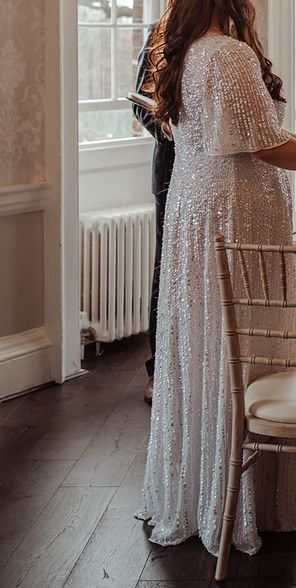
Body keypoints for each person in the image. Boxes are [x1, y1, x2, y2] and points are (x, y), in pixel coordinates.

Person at [137, 0, 296, 556]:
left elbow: (266, 132)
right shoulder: (228, 56)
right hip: (234, 220)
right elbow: (265, 148)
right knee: (246, 344)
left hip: (194, 215)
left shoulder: (178, 56)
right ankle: (245, 502)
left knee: (207, 344)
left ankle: (204, 487)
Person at [132, 25, 173, 405]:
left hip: (222, 172)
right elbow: (139, 104)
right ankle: (158, 371)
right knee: (167, 270)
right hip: (172, 174)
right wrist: (167, 128)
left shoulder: (235, 33)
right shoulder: (159, 34)